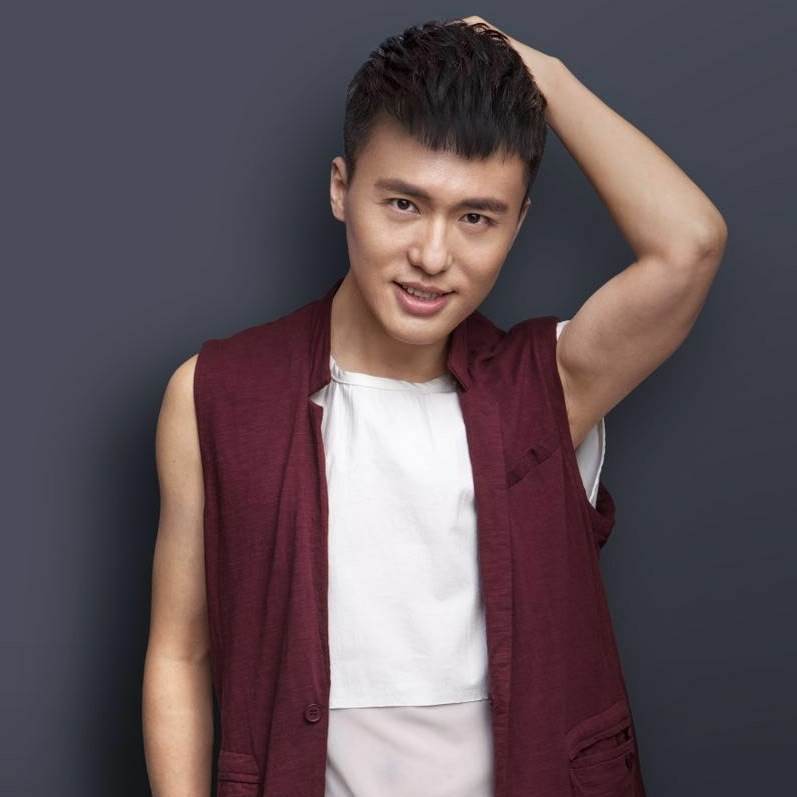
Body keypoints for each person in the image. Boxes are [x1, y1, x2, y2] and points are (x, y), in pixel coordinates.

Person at [142, 16, 727, 797]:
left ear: (518, 222)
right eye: (403, 204)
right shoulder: (217, 393)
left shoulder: (549, 386)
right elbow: (179, 654)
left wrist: (544, 77)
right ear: (341, 188)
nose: (432, 255)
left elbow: (689, 244)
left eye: (476, 217)